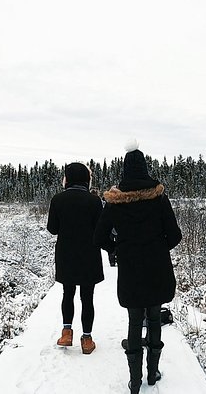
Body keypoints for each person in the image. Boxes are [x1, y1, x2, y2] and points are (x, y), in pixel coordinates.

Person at [94, 141, 182, 393]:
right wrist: (157, 247)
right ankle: (152, 374)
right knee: (154, 317)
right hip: (157, 268)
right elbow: (174, 236)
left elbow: (98, 237)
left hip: (130, 269)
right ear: (145, 168)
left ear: (124, 171)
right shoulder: (159, 198)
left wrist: (117, 248)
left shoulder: (116, 202)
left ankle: (134, 382)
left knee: (134, 320)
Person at [47, 162, 104, 355]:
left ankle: (66, 332)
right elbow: (100, 230)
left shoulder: (57, 199)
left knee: (67, 293)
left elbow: (52, 229)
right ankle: (87, 339)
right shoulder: (94, 201)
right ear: (86, 179)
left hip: (66, 254)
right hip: (89, 254)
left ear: (68, 178)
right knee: (87, 298)